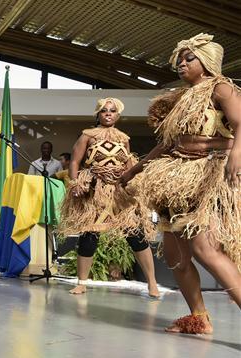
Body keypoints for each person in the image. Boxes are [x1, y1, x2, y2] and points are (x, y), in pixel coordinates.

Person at [122, 34, 241, 334]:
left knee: (206, 249)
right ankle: (198, 317)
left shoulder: (221, 88)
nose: (181, 63)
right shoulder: (179, 98)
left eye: (190, 58)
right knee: (176, 256)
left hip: (208, 175)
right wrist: (133, 170)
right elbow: (166, 144)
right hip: (175, 180)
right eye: (180, 59)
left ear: (207, 61)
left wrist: (236, 154)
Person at [58, 98, 160, 298]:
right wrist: (76, 183)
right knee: (89, 236)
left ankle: (152, 283)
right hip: (96, 191)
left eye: (112, 111)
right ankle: (82, 282)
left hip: (120, 193)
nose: (108, 114)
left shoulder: (124, 138)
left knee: (135, 235)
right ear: (98, 114)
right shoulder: (88, 135)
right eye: (104, 111)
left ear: (118, 115)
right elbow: (75, 161)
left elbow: (129, 165)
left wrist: (134, 186)